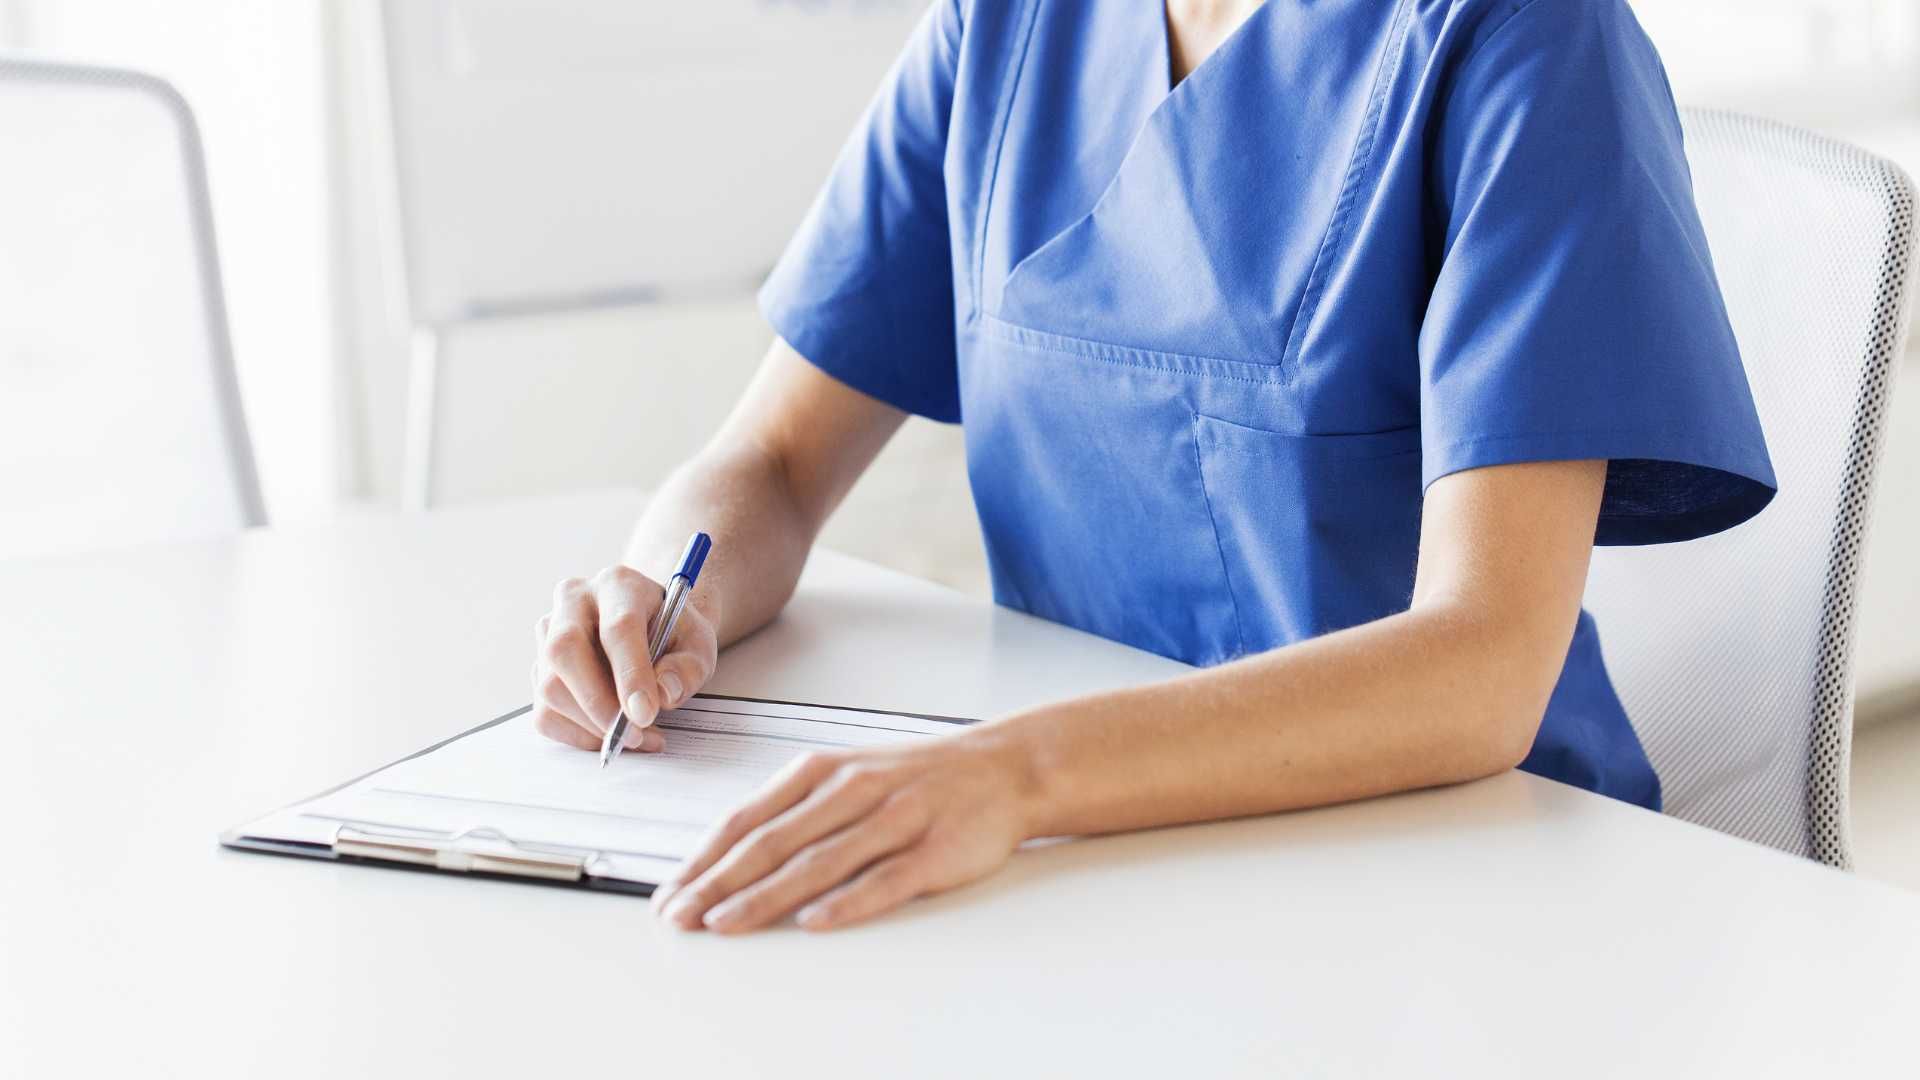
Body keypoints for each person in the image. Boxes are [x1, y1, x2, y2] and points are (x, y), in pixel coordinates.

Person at [529, 0, 1775, 933]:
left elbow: (1488, 664)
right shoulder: (1009, 26)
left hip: (1456, 873)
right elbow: (774, 462)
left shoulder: (1521, 36)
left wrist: (1013, 776)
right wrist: (658, 593)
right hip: (1095, 863)